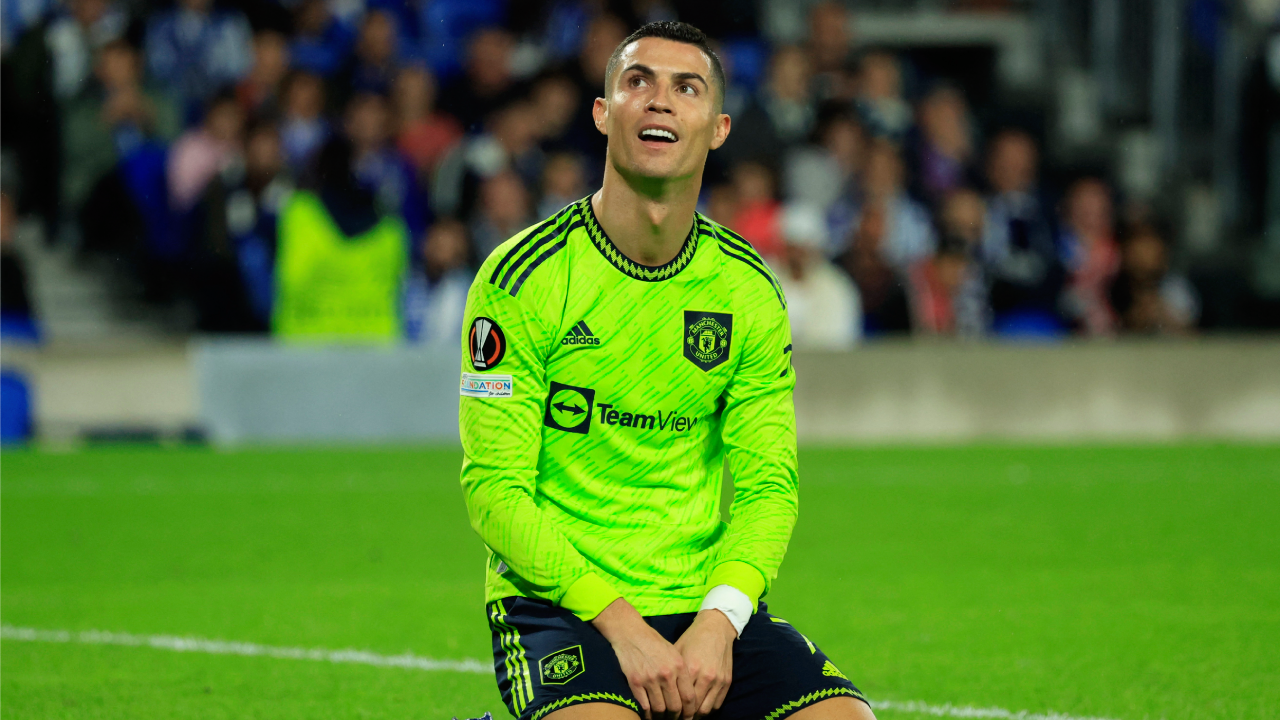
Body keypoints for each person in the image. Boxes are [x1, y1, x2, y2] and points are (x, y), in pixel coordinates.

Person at [458, 21, 873, 720]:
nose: (659, 100)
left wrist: (720, 620)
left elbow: (769, 489)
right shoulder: (522, 278)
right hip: (561, 604)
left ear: (718, 128)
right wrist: (622, 625)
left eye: (687, 88)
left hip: (701, 605)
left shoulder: (747, 289)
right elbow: (494, 490)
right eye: (637, 81)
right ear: (603, 112)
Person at [773, 202, 861, 348]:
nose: (797, 256)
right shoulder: (763, 282)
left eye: (803, 249)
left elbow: (840, 341)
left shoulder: (837, 288)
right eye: (792, 248)